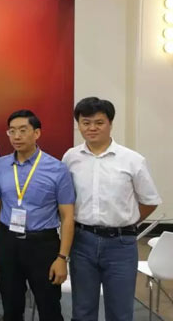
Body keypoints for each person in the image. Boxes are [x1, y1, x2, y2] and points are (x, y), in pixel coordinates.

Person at [64, 97, 161, 321]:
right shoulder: (70, 158)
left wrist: (126, 222)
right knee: (82, 310)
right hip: (82, 242)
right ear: (79, 125)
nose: (92, 128)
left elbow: (150, 201)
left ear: (110, 124)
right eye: (86, 123)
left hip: (120, 245)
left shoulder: (132, 160)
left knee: (120, 311)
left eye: (99, 122)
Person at [0, 110, 75, 321]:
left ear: (37, 133)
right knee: (10, 306)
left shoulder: (57, 169)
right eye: (12, 131)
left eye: (23, 130)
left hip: (42, 245)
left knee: (49, 306)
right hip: (8, 242)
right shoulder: (1, 166)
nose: (16, 136)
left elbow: (67, 216)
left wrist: (62, 257)